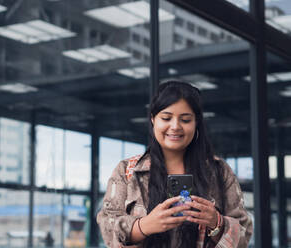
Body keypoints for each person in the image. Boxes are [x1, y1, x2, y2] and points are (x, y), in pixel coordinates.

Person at [97, 81, 253, 248]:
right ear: (153, 120)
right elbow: (107, 226)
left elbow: (244, 232)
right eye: (166, 118)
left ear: (196, 123)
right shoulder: (128, 171)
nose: (175, 126)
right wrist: (144, 226)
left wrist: (217, 223)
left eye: (185, 120)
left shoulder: (219, 171)